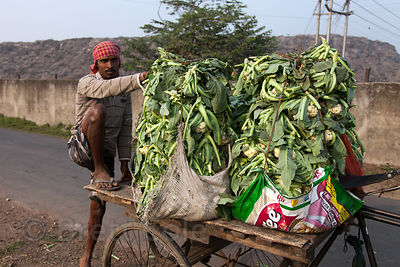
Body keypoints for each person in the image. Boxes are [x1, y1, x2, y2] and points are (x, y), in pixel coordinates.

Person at [67, 40, 146, 267]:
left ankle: (86, 257)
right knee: (97, 109)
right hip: (82, 149)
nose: (109, 65)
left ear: (119, 61)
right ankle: (99, 170)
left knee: (98, 205)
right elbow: (104, 90)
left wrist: (124, 164)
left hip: (107, 154)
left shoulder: (123, 94)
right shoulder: (87, 83)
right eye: (104, 61)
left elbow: (125, 128)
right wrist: (139, 78)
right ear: (96, 64)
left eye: (113, 60)